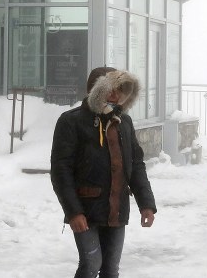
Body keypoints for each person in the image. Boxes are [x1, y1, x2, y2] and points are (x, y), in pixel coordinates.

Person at [51, 67, 157, 278]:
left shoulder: (123, 122)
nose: (115, 95)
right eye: (109, 89)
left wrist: (146, 204)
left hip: (117, 209)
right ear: (95, 90)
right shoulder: (71, 121)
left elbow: (136, 165)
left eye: (120, 89)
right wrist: (74, 212)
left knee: (110, 269)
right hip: (86, 210)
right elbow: (60, 171)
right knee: (91, 264)